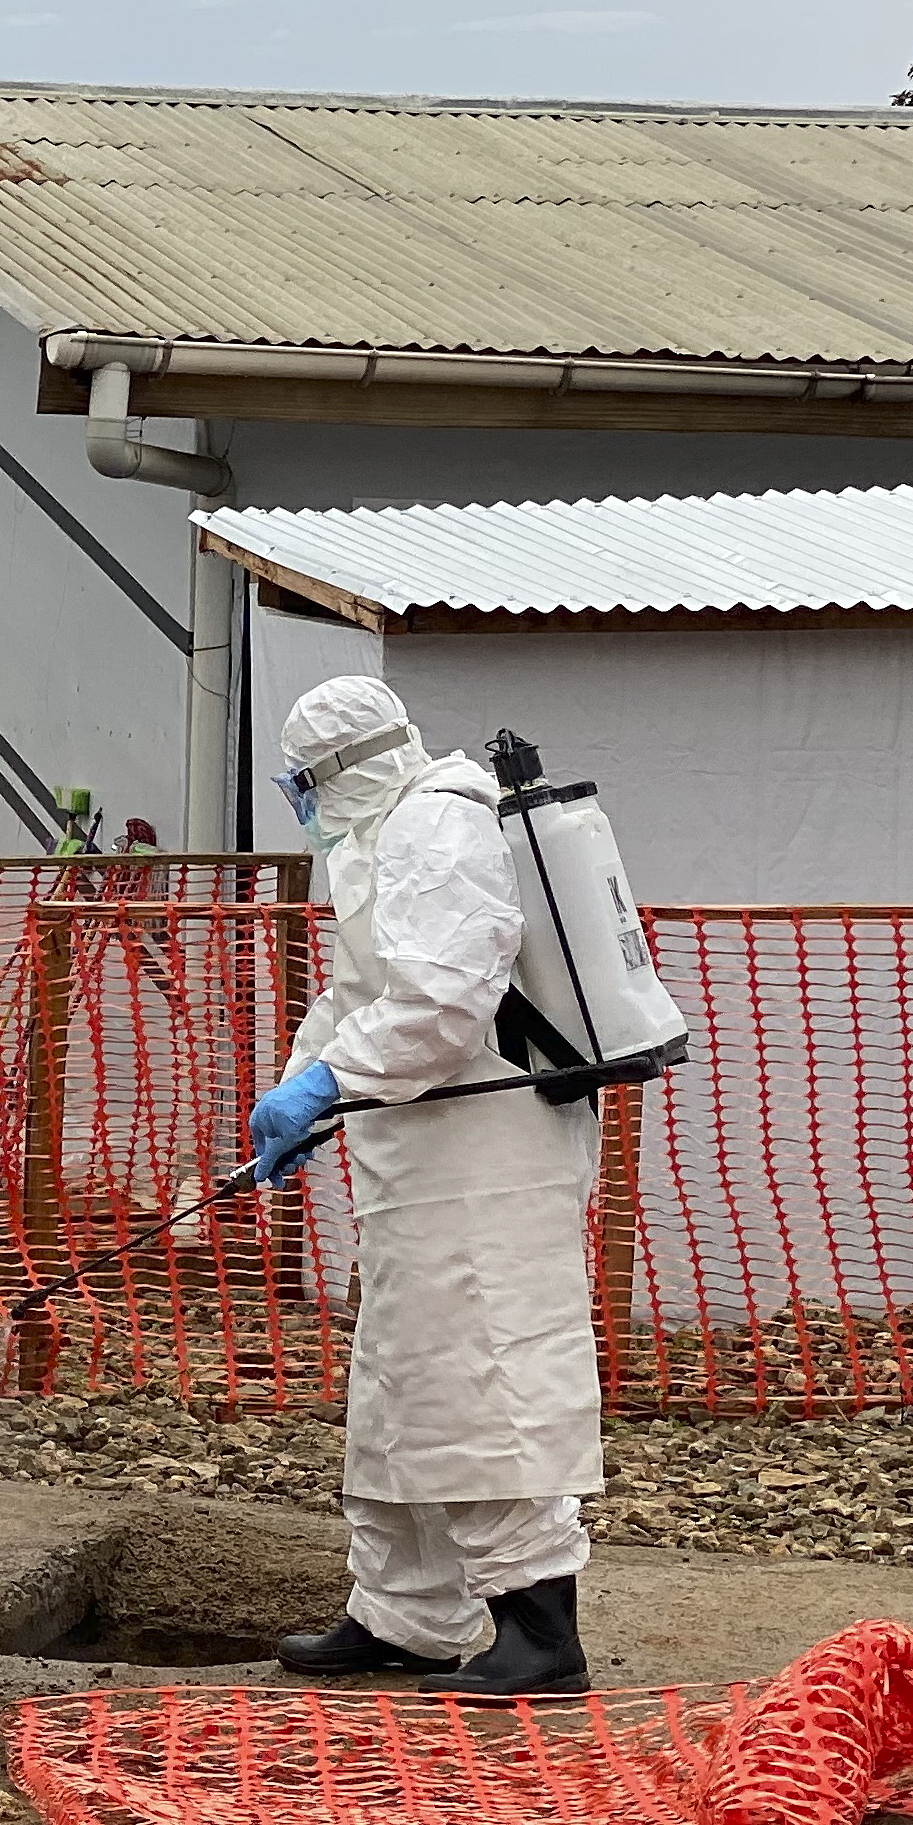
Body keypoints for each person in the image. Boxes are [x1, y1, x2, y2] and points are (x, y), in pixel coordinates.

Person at [249, 674, 599, 1698]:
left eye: (304, 784)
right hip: (421, 1154)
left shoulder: (439, 829)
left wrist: (333, 1081)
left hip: (490, 1158)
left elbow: (445, 1000)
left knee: (489, 1376)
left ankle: (539, 1631)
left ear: (344, 771)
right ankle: (404, 1615)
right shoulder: (381, 837)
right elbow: (365, 989)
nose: (303, 806)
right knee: (402, 1379)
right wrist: (302, 1086)